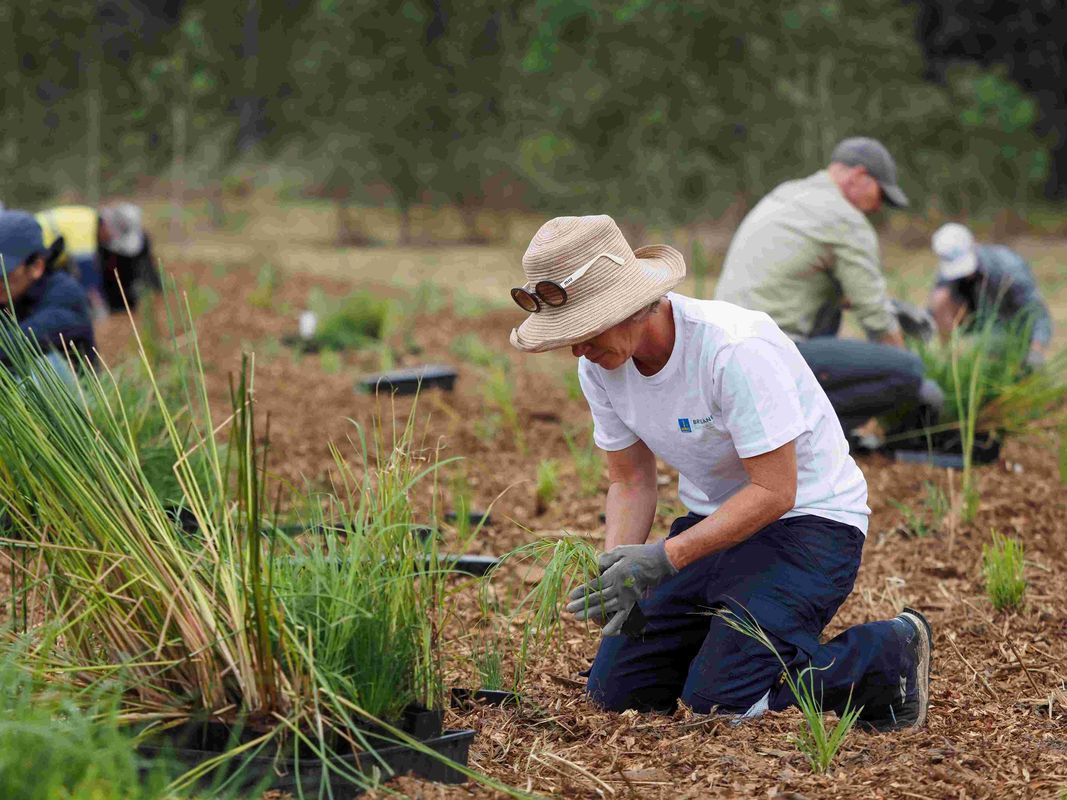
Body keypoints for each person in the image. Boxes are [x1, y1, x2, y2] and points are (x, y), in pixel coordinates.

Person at [508, 214, 933, 730]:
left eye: (584, 330)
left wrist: (664, 558)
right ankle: (717, 652)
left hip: (809, 525)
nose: (576, 348)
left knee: (720, 703)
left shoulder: (733, 347)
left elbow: (776, 490)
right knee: (618, 694)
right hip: (717, 525)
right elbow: (630, 480)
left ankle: (885, 653)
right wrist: (619, 569)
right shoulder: (599, 365)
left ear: (634, 307)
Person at [714, 136, 943, 436]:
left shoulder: (788, 193)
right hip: (766, 357)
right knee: (908, 370)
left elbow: (796, 275)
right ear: (859, 176)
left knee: (831, 309)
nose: (878, 207)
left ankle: (788, 419)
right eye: (880, 195)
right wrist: (914, 383)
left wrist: (889, 308)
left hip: (720, 355)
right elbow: (875, 320)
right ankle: (809, 434)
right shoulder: (846, 220)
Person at [929, 223, 1052, 368]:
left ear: (974, 244)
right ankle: (950, 361)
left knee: (981, 350)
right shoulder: (947, 275)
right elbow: (934, 310)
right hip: (977, 328)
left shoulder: (1007, 267)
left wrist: (1036, 352)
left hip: (1012, 328)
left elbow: (1036, 312)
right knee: (940, 298)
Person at [0, 210, 96, 369]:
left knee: (47, 364)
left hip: (72, 391)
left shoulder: (65, 294)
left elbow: (19, 343)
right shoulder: (11, 295)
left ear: (36, 266)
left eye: (3, 274)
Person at [36, 202, 160, 315]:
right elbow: (88, 277)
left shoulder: (88, 218)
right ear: (107, 226)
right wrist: (101, 312)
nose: (109, 241)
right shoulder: (83, 230)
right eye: (111, 237)